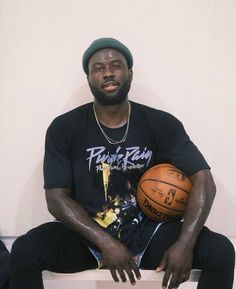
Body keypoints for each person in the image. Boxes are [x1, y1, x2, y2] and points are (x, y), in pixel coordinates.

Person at [10, 38, 235, 289]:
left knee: (221, 251)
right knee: (25, 250)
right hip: (87, 238)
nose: (107, 72)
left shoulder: (161, 124)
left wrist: (185, 243)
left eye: (115, 65)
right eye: (98, 68)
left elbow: (204, 179)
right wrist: (105, 242)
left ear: (129, 73)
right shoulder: (64, 128)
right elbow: (56, 199)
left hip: (149, 234)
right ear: (88, 78)